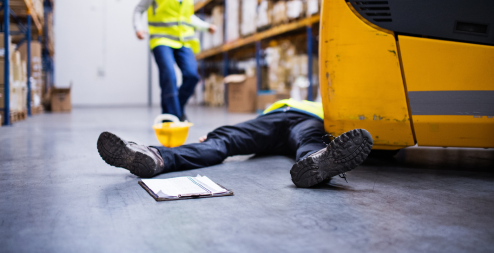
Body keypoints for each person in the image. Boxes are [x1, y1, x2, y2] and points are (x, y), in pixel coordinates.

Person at [97, 99, 374, 188]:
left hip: (306, 120)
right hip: (275, 119)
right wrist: (216, 133)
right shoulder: (285, 104)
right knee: (223, 139)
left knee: (309, 141)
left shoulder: (328, 100)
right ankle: (152, 157)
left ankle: (319, 163)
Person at [133, 0, 216, 121]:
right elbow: (138, 10)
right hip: (161, 40)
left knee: (192, 76)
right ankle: (175, 116)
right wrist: (138, 28)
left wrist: (206, 26)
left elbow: (188, 17)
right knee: (169, 76)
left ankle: (172, 112)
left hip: (184, 40)